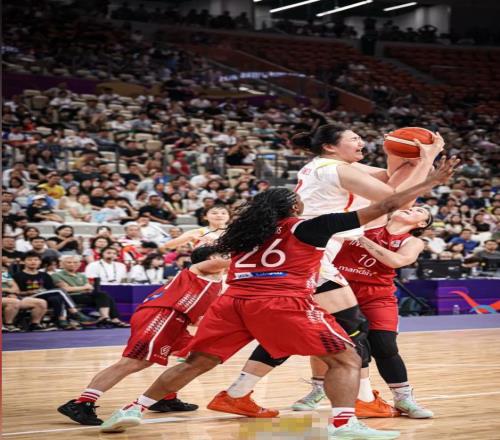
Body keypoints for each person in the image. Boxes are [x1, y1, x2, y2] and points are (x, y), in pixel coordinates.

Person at [98, 156, 458, 437]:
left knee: (196, 362)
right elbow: (383, 206)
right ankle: (343, 424)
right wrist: (430, 181)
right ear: (294, 208)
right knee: (347, 358)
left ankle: (133, 408)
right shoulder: (310, 226)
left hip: (232, 303)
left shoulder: (243, 233)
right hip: (281, 302)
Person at [212, 124, 444, 418]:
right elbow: (397, 200)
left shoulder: (329, 167)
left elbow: (390, 178)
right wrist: (427, 158)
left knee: (300, 331)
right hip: (310, 255)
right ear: (331, 146)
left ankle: (237, 393)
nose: (361, 142)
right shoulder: (336, 170)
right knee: (353, 327)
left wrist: (404, 157)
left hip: (303, 254)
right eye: (354, 139)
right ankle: (362, 400)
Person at [58, 246, 229, 426]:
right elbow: (227, 263)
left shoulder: (217, 284)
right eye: (221, 255)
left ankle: (165, 397)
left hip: (177, 320)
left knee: (196, 357)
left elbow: (197, 318)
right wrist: (245, 251)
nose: (226, 258)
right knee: (134, 362)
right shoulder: (199, 269)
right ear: (208, 259)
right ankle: (82, 403)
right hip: (162, 315)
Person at [12, 252, 92, 330]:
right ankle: (74, 312)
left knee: (58, 297)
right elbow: (17, 292)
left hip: (44, 296)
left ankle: (62, 321)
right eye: (29, 260)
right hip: (29, 297)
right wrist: (29, 292)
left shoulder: (44, 275)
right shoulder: (17, 275)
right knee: (60, 291)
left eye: (36, 260)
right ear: (23, 262)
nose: (33, 262)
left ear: (40, 262)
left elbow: (51, 290)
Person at [52, 255, 128, 327]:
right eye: (69, 262)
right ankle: (110, 319)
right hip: (70, 297)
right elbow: (66, 289)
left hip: (84, 295)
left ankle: (108, 318)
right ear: (62, 264)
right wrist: (84, 287)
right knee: (104, 296)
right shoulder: (57, 275)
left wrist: (83, 288)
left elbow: (89, 288)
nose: (72, 264)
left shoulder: (81, 275)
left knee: (104, 295)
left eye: (75, 262)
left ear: (79, 264)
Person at [2, 262, 51, 332]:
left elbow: (16, 289)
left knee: (40, 302)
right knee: (13, 302)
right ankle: (8, 324)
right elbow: (11, 289)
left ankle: (34, 324)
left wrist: (10, 292)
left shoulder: (4, 275)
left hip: (12, 297)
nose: (2, 269)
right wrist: (7, 290)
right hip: (7, 298)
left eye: (3, 268)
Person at [160, 204, 230, 251]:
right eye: (214, 213)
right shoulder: (198, 232)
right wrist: (189, 237)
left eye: (223, 213)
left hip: (231, 267)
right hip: (204, 266)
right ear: (205, 217)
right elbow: (167, 246)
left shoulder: (233, 232)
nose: (219, 215)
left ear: (229, 216)